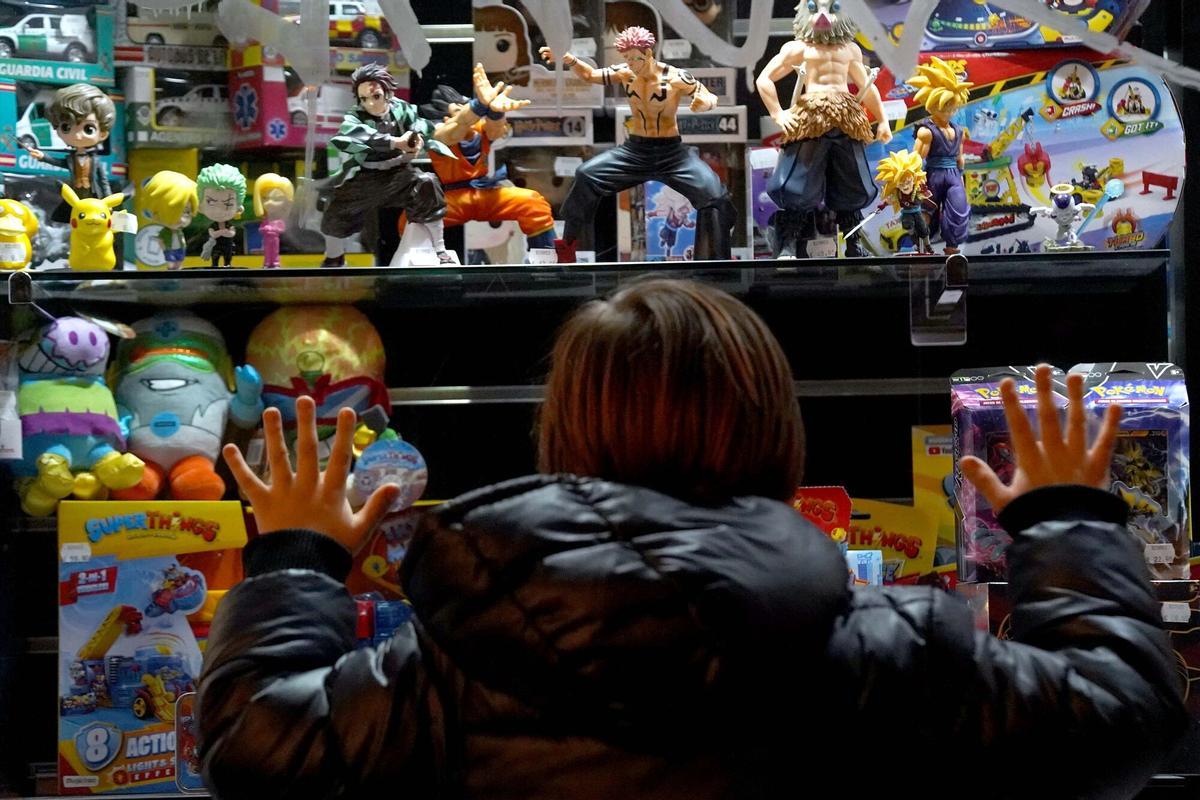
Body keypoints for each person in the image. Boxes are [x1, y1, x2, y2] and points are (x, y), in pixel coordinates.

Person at [199, 280, 1185, 798]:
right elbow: (1124, 719)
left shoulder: (451, 667)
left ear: (564, 434)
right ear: (777, 433)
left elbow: (254, 746)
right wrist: (1064, 520)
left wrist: (295, 558)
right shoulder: (893, 645)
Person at [539, 26, 736, 263]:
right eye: (628, 58)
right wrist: (569, 58)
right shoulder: (625, 72)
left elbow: (707, 94)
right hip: (635, 151)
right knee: (586, 175)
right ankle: (568, 248)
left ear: (649, 53)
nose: (632, 63)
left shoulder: (675, 77)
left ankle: (716, 260)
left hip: (672, 154)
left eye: (636, 58)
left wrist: (704, 102)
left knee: (714, 195)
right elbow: (591, 75)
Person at [756, 0, 891, 258]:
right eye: (816, 7)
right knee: (798, 183)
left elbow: (867, 85)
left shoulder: (850, 49)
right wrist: (778, 114)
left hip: (846, 118)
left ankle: (853, 243)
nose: (823, 14)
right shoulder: (798, 48)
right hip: (812, 118)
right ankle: (787, 245)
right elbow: (764, 79)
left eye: (831, 7)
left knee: (854, 183)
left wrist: (882, 119)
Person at [406, 65, 556, 252]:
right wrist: (479, 106)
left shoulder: (480, 128)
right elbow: (456, 130)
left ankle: (548, 259)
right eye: (460, 109)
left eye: (468, 105)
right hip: (456, 199)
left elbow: (495, 130)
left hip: (491, 194)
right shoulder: (437, 133)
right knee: (410, 219)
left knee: (533, 204)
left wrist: (495, 111)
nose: (471, 114)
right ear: (445, 118)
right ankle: (419, 264)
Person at [319, 64, 453, 268]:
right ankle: (334, 257)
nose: (370, 103)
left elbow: (420, 124)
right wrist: (395, 142)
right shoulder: (355, 117)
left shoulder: (401, 108)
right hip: (369, 178)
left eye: (376, 96)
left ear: (388, 93)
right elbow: (354, 134)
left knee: (427, 184)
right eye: (364, 99)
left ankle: (440, 250)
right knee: (336, 207)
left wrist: (416, 139)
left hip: (400, 175)